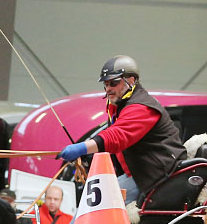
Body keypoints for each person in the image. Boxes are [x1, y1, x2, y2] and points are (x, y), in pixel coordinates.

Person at [59, 55, 186, 204]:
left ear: (131, 80)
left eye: (113, 82)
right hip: (140, 174)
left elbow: (117, 136)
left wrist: (82, 147)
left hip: (156, 176)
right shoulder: (118, 106)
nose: (108, 89)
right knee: (91, 201)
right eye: (105, 84)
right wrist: (91, 155)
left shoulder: (141, 106)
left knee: (93, 205)